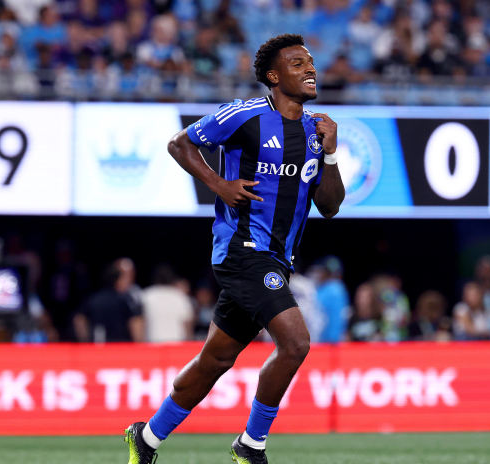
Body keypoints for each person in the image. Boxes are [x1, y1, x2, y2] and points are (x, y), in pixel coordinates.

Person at [123, 34, 345, 464]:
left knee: (216, 359)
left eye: (310, 62)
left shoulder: (316, 132)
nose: (310, 69)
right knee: (296, 343)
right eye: (298, 63)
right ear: (273, 76)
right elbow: (179, 143)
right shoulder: (245, 115)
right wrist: (219, 184)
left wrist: (332, 155)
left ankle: (145, 438)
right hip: (242, 251)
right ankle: (251, 444)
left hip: (278, 258)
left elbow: (330, 207)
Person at [74, 258, 145, 343]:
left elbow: (79, 319)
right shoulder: (125, 301)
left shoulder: (94, 299)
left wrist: (85, 341)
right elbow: (136, 324)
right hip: (120, 347)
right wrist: (138, 345)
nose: (130, 280)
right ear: (117, 278)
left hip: (97, 347)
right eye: (125, 276)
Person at [140, 264, 195, 342]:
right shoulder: (180, 297)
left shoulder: (146, 296)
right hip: (177, 343)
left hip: (153, 343)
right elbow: (188, 324)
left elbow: (140, 323)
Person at [314, 256, 350, 343]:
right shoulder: (339, 288)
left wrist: (332, 339)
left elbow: (336, 319)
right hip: (327, 340)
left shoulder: (334, 288)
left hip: (327, 342)